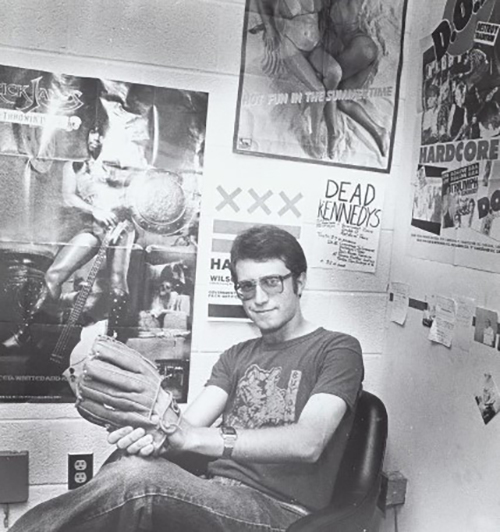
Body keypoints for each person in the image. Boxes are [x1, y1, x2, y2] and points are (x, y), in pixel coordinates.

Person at [9, 224, 364, 532]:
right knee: (129, 463)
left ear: (299, 281)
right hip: (212, 492)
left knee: (138, 482)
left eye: (272, 282)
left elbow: (308, 442)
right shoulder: (237, 355)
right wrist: (150, 432)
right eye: (246, 286)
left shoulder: (337, 349)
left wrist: (188, 436)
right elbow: (186, 426)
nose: (258, 298)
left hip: (281, 513)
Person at [2, 125, 136, 352]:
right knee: (53, 276)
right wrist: (94, 210)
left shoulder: (120, 165)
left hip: (120, 227)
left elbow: (135, 196)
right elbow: (68, 196)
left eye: (100, 133)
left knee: (116, 284)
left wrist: (120, 214)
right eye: (92, 133)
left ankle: (114, 339)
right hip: (92, 227)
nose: (95, 138)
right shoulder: (73, 165)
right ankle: (31, 332)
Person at [254, 0, 343, 158]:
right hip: (290, 46)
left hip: (315, 45)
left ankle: (333, 131)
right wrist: (269, 27)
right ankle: (313, 138)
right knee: (318, 91)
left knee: (335, 73)